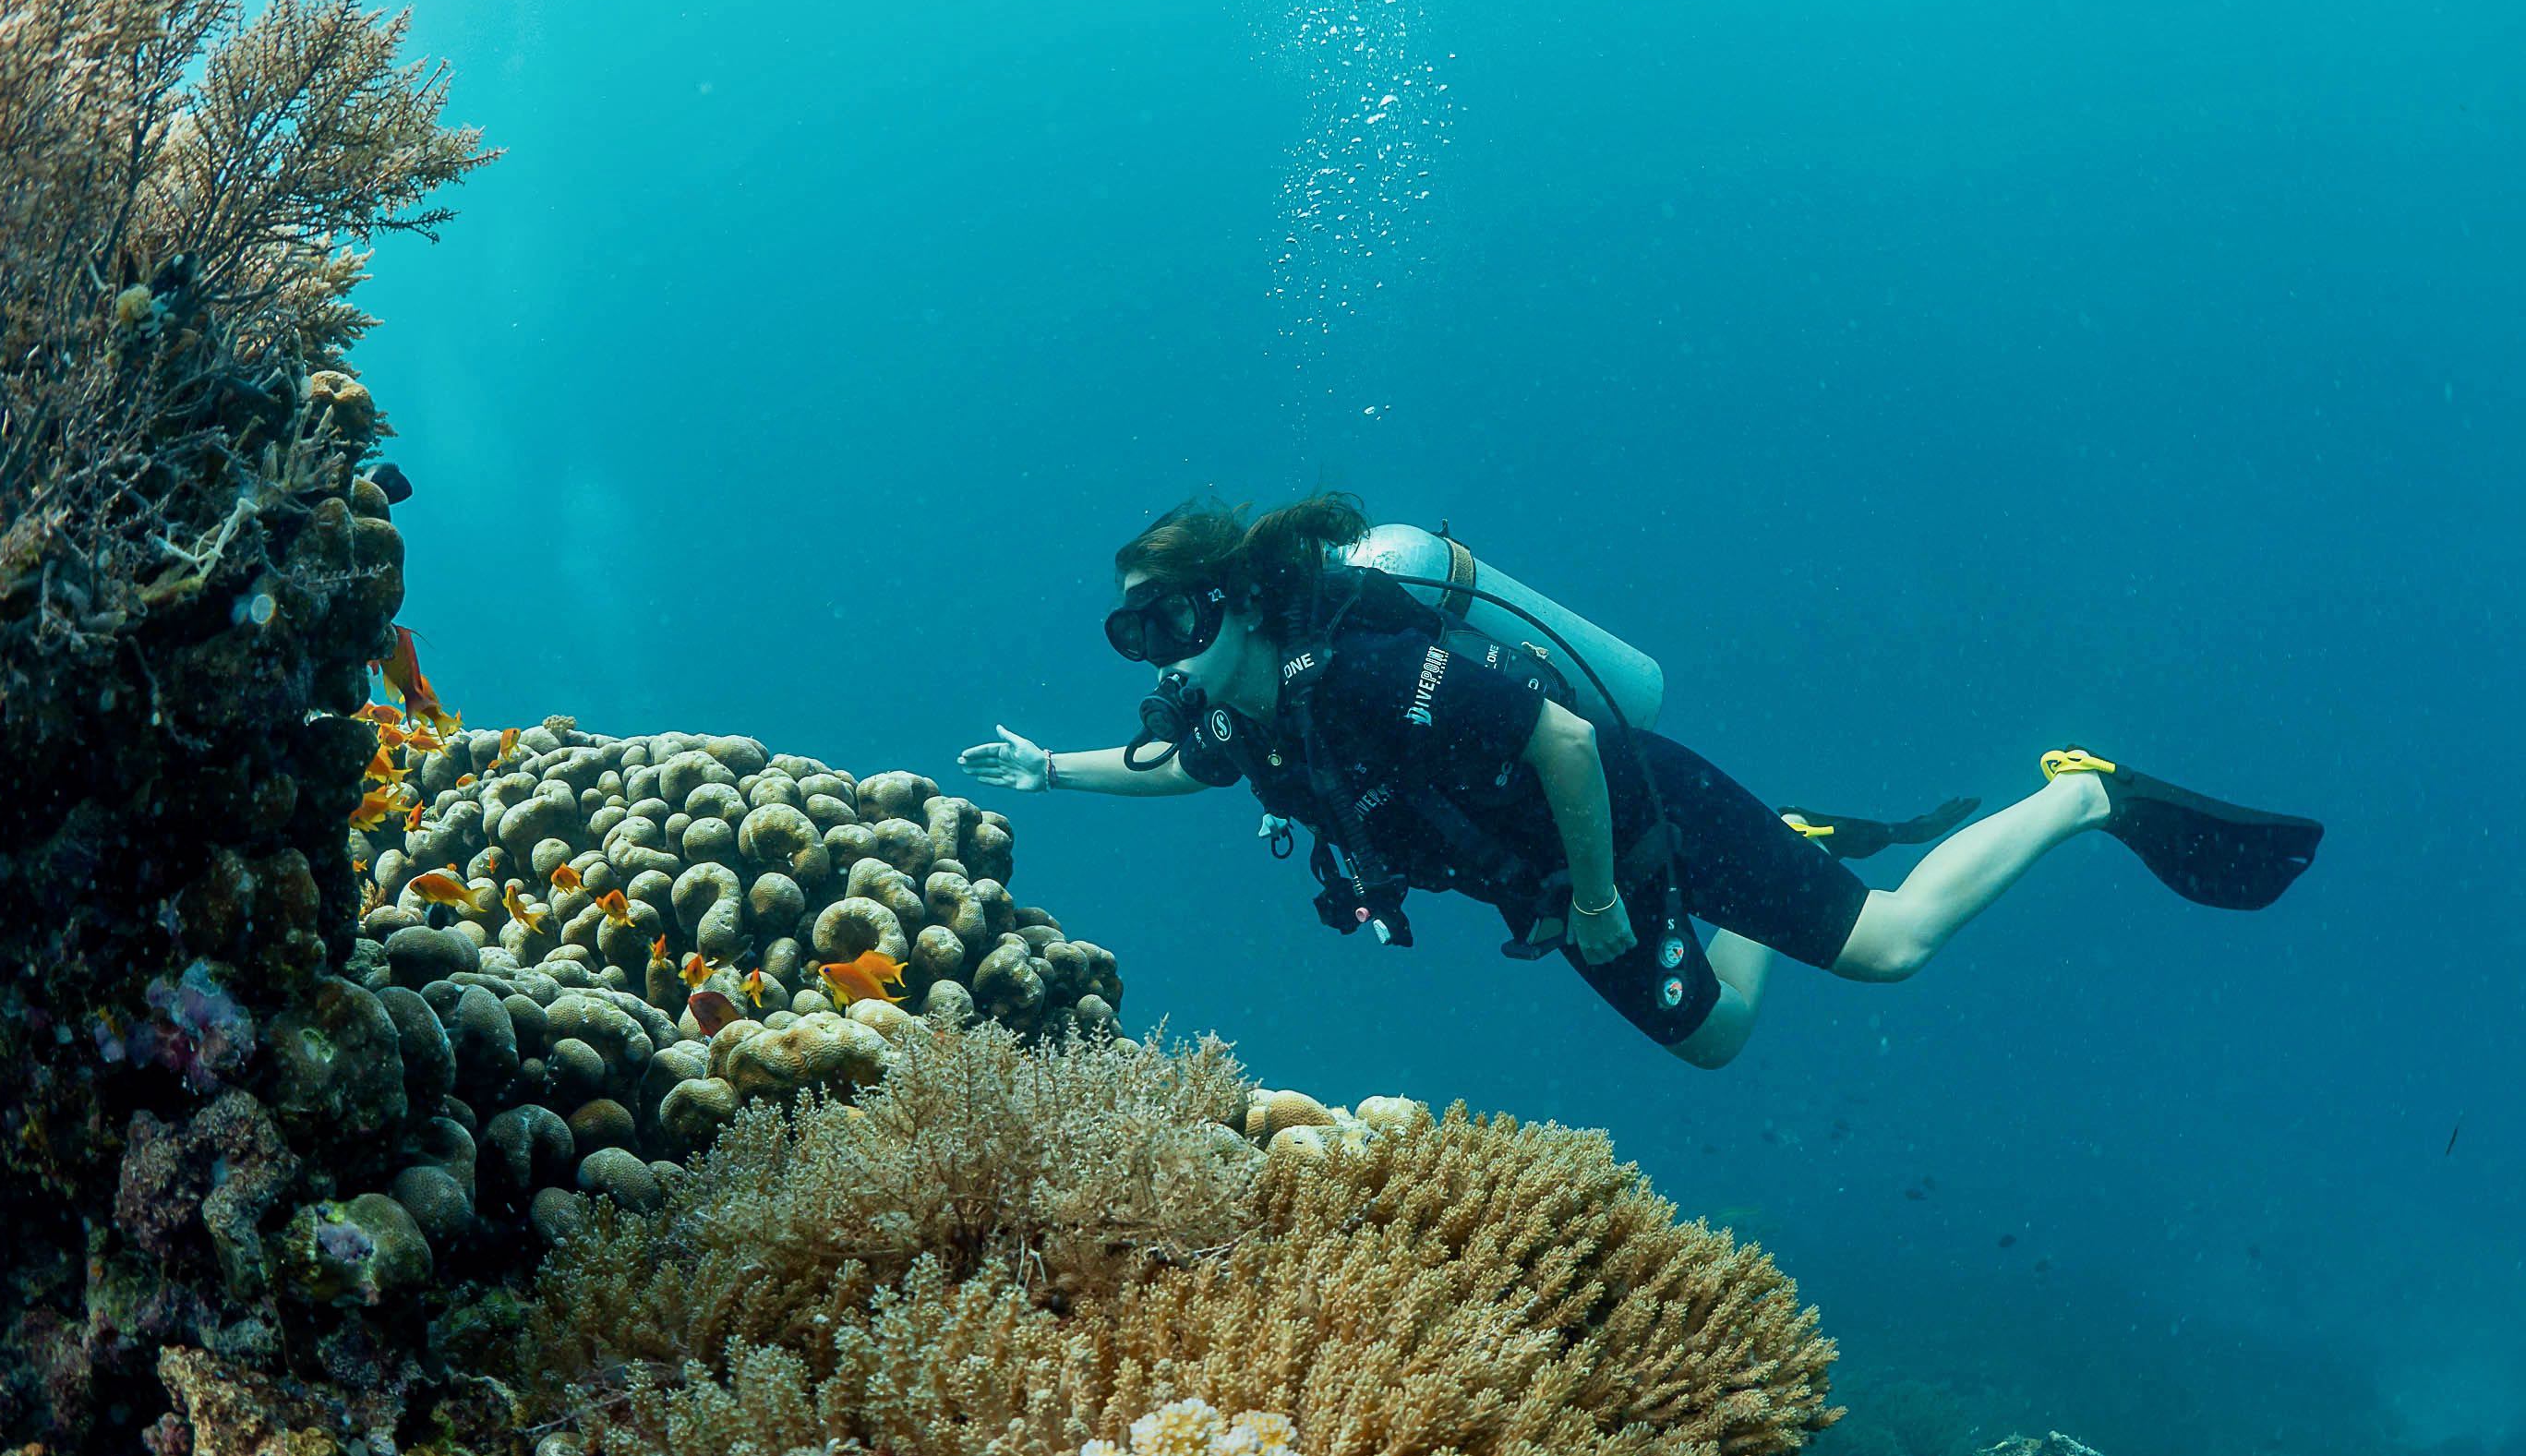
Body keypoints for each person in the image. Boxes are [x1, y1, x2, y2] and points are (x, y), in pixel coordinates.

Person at [956, 494, 2321, 1069]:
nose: (1167, 658)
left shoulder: (1359, 678)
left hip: (1633, 820)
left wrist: (1605, 897)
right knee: (1719, 1039)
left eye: (1179, 622)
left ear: (1239, 603)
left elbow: (1559, 745)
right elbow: (1183, 769)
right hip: (1561, 883)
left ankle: (2082, 792)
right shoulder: (1256, 723)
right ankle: (1797, 839)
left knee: (1890, 950)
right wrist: (1053, 774)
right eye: (1138, 636)